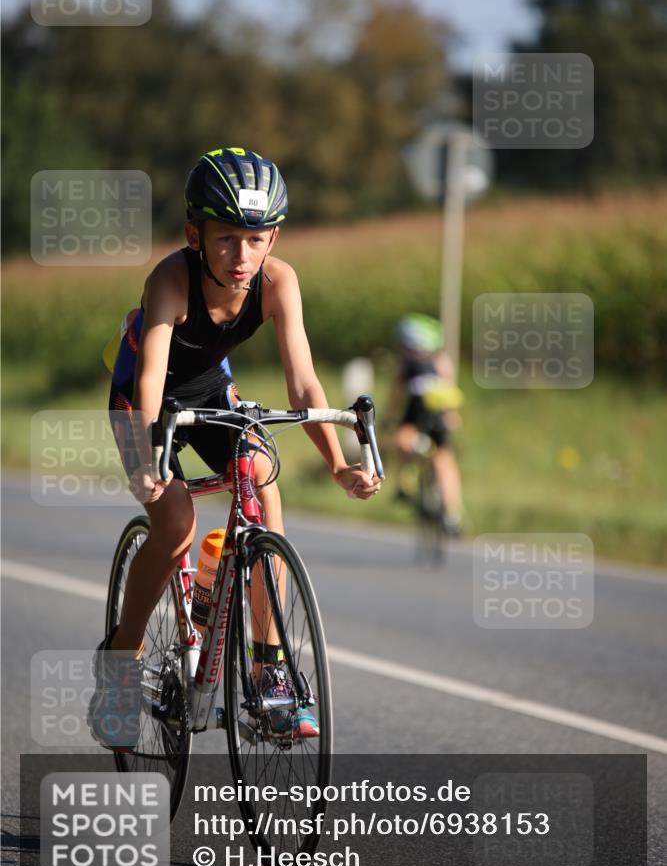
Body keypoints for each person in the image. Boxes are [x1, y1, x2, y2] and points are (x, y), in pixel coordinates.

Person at [88, 146, 382, 749]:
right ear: (194, 233)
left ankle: (268, 667)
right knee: (175, 522)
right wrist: (148, 460)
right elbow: (150, 381)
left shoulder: (278, 281)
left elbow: (303, 382)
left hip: (208, 389)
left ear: (273, 238)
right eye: (226, 239)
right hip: (144, 392)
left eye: (257, 239)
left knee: (262, 480)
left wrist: (337, 464)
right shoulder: (170, 278)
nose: (242, 256)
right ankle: (121, 659)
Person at [390, 313, 463, 535]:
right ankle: (452, 513)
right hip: (440, 412)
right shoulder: (442, 362)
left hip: (417, 410)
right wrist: (452, 414)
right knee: (444, 460)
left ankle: (405, 483)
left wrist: (388, 418)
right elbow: (449, 388)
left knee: (403, 439)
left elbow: (396, 395)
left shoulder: (406, 364)